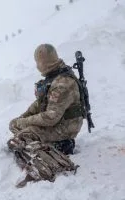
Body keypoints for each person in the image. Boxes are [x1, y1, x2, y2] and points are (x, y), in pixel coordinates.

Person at [7, 44, 84, 187]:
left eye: (38, 62)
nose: (37, 66)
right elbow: (40, 104)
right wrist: (21, 118)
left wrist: (24, 123)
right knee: (18, 130)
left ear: (43, 62)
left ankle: (47, 165)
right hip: (58, 121)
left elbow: (51, 117)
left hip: (66, 127)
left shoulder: (62, 84)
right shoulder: (53, 77)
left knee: (24, 136)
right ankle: (45, 148)